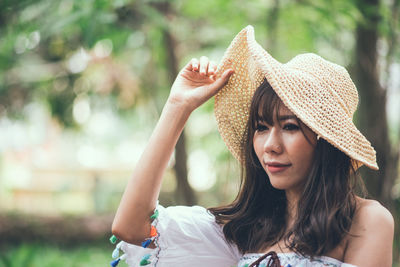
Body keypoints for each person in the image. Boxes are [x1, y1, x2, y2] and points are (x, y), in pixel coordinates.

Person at [109, 26, 394, 267]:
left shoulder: (365, 220)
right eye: (261, 127)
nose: (270, 145)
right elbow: (132, 227)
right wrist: (177, 107)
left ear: (327, 141)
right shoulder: (248, 228)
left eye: (290, 126)